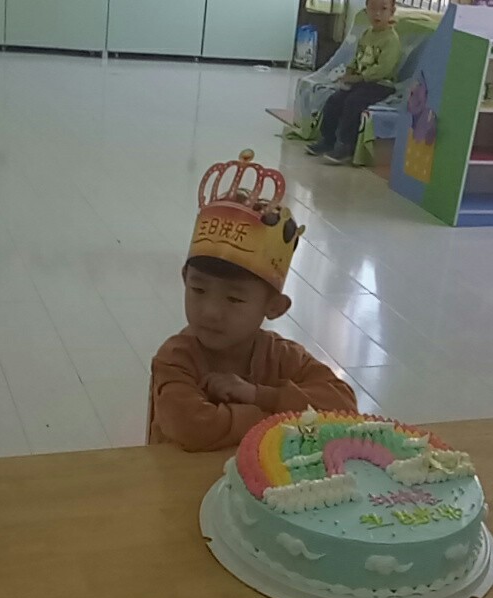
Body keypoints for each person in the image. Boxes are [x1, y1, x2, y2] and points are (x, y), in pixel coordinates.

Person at [149, 150, 358, 451]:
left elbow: (344, 407)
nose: (210, 312)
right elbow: (192, 426)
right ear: (184, 279)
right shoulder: (176, 357)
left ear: (274, 307)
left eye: (234, 298)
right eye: (198, 290)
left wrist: (259, 395)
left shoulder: (283, 357)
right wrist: (282, 420)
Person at [306, 0, 404, 164]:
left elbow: (383, 69)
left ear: (392, 11)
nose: (377, 14)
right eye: (373, 9)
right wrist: (349, 72)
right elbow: (357, 58)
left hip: (380, 84)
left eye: (383, 9)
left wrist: (359, 78)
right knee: (334, 100)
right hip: (361, 82)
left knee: (353, 103)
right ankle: (328, 140)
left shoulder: (391, 40)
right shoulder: (367, 34)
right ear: (366, 11)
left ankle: (346, 146)